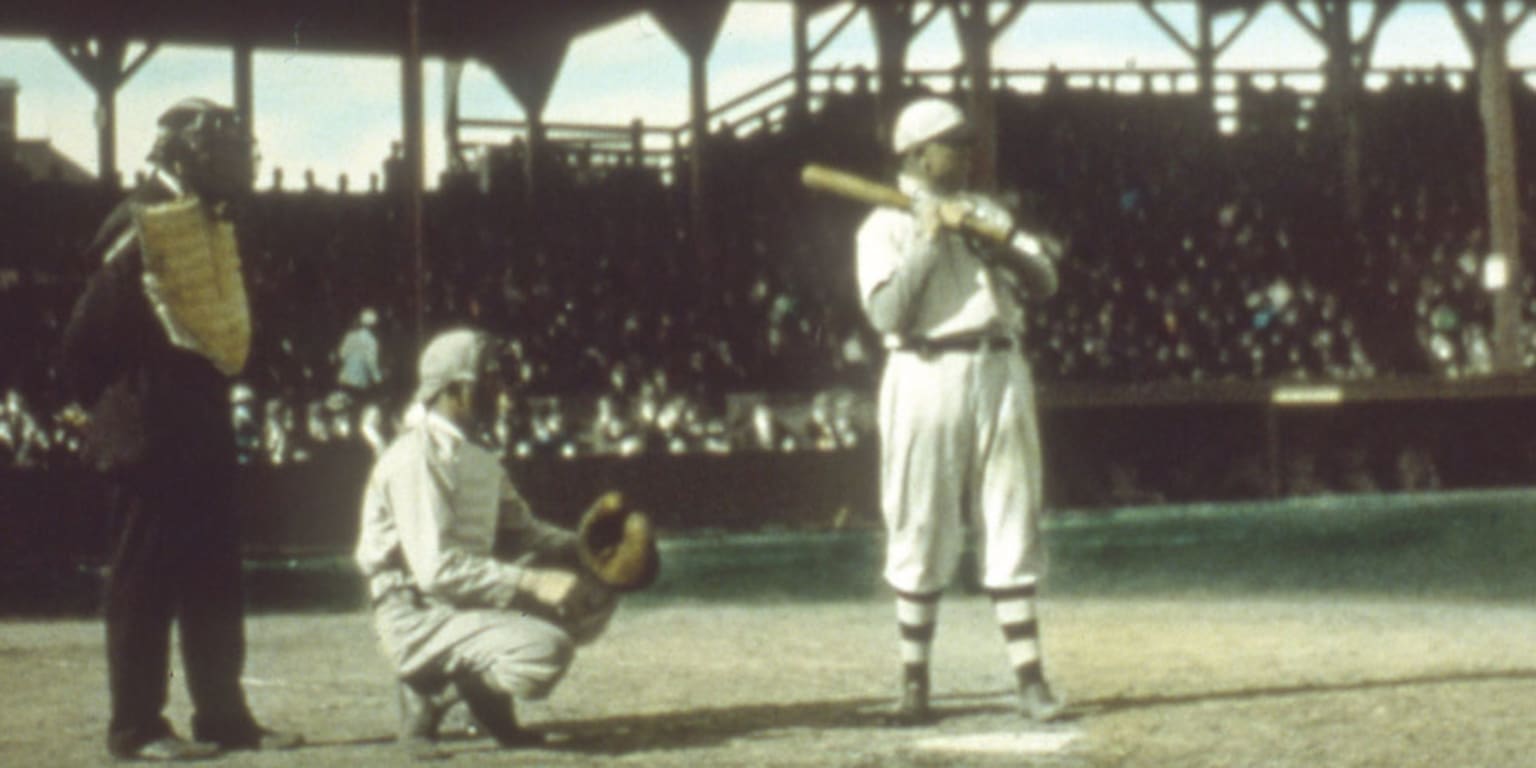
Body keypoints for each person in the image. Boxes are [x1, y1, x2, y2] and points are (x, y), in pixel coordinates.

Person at [60, 98, 302, 761]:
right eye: (219, 147)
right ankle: (136, 729)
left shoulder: (205, 222)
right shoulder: (137, 222)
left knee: (214, 576)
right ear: (181, 154)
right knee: (143, 581)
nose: (235, 161)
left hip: (200, 428)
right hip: (149, 434)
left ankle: (224, 717)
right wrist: (122, 411)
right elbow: (84, 339)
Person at [854, 97, 1064, 726]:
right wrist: (928, 239)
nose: (967, 152)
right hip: (925, 371)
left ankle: (1030, 681)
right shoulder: (881, 225)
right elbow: (887, 315)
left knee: (1012, 512)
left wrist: (993, 243)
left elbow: (1045, 282)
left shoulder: (989, 211)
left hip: (999, 365)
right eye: (953, 142)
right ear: (918, 153)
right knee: (920, 519)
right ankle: (914, 684)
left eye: (968, 142)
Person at [355, 329, 639, 758]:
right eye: (490, 379)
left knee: (596, 589)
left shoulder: (476, 453)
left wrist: (590, 547)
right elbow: (435, 572)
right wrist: (534, 583)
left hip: (463, 604)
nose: (501, 389)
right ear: (456, 389)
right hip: (415, 614)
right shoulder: (415, 458)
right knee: (546, 651)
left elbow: (525, 531)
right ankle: (436, 689)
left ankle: (473, 688)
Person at [336, 307, 384, 394]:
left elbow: (341, 355)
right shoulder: (371, 341)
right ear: (374, 326)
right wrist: (378, 379)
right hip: (359, 383)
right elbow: (371, 362)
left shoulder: (350, 336)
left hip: (344, 379)